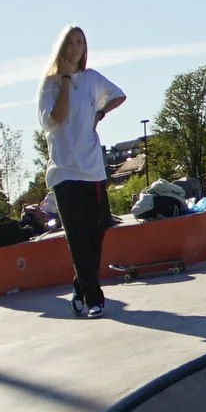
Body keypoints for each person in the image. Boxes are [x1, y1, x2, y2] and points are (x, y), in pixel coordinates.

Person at [37, 25, 127, 318]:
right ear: (62, 48)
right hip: (64, 170)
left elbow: (119, 95)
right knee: (77, 237)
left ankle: (80, 285)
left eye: (81, 42)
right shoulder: (49, 85)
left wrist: (99, 113)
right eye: (71, 43)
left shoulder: (91, 79)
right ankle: (94, 298)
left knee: (97, 230)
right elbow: (58, 117)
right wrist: (64, 80)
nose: (76, 47)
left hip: (92, 169)